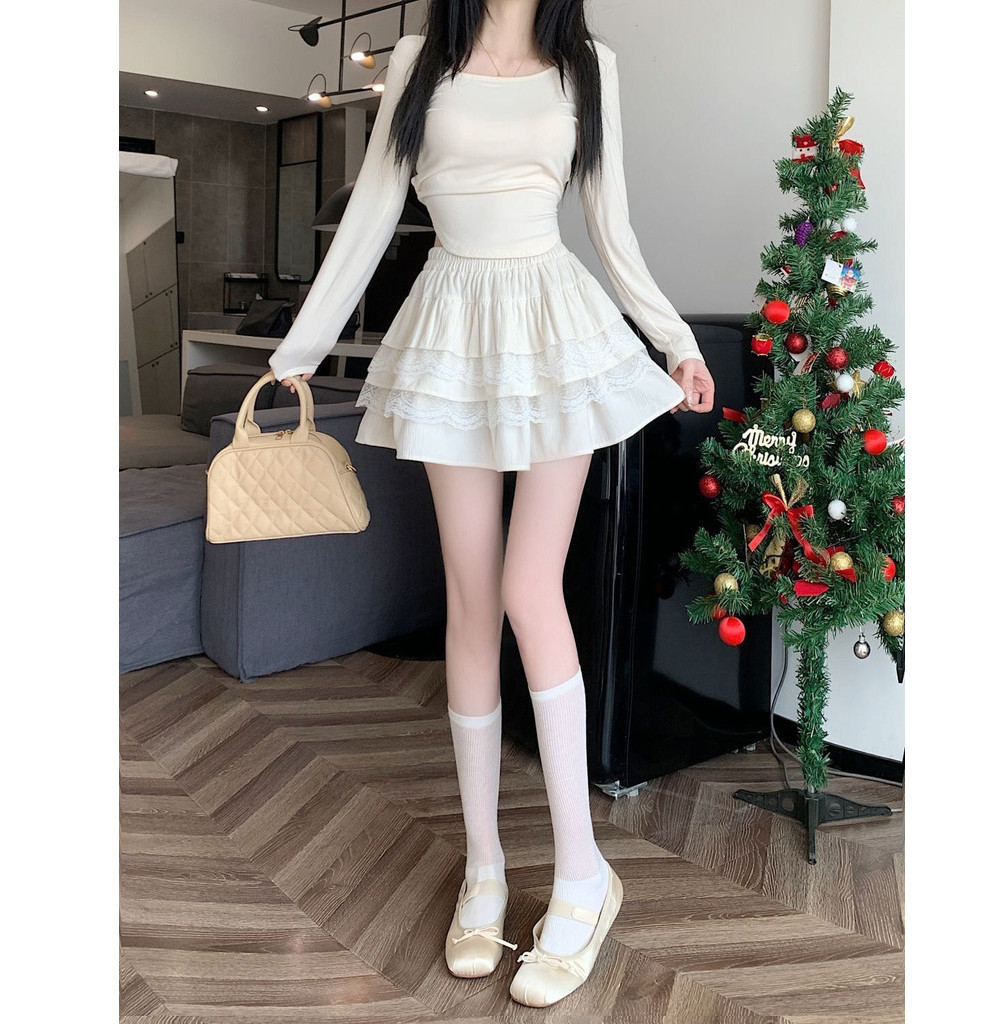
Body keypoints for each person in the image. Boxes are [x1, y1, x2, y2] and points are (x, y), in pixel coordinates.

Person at [268, 0, 716, 1008]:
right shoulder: (419, 58)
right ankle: (483, 867)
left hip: (553, 321)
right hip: (451, 322)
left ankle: (583, 873)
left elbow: (609, 222)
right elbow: (373, 209)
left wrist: (676, 342)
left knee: (526, 589)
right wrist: (299, 353)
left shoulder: (588, 64)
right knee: (470, 601)